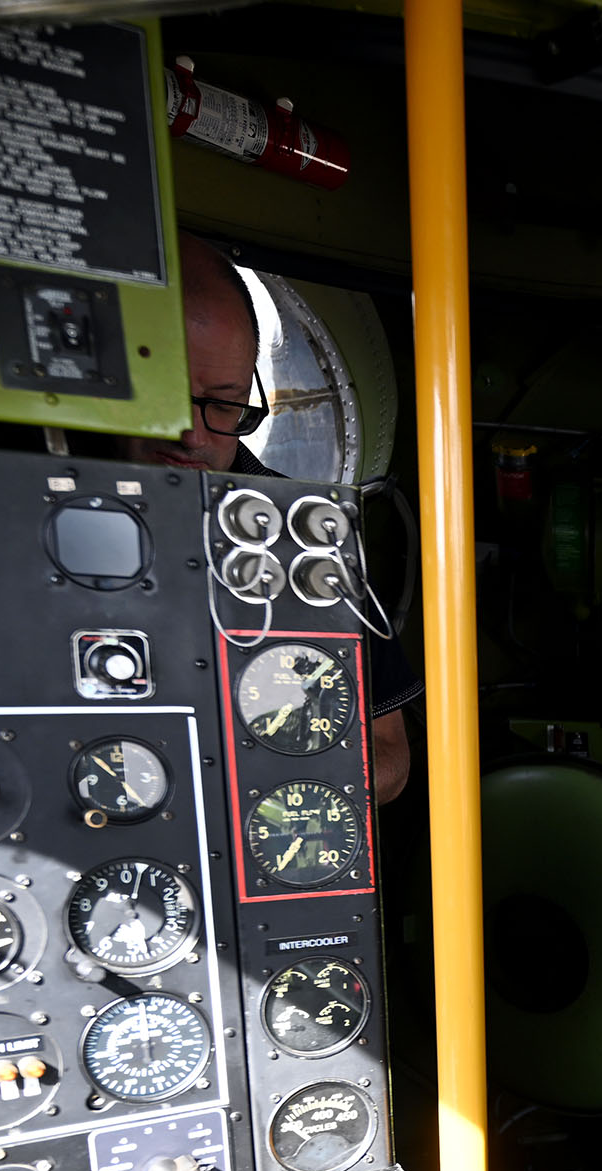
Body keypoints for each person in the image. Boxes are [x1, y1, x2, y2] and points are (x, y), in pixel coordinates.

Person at [131, 230, 417, 801]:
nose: (191, 433)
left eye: (224, 401)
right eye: (164, 393)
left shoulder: (308, 535)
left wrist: (240, 776)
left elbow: (389, 761)